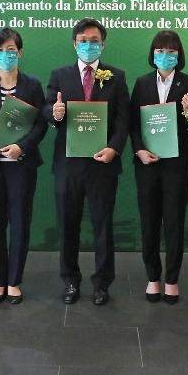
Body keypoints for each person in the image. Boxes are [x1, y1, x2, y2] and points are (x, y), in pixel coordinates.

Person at [44, 18, 130, 306]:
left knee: (103, 226)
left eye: (94, 41)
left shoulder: (116, 76)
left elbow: (123, 119)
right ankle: (70, 281)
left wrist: (114, 149)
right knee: (67, 226)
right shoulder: (60, 75)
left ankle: (102, 283)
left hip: (102, 164)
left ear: (102, 44)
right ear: (74, 44)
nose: (88, 45)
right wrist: (55, 113)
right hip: (68, 165)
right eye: (83, 41)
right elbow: (48, 109)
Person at [0, 28, 48, 304]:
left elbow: (41, 124)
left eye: (11, 50)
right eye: (0, 50)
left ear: (20, 52)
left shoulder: (32, 85)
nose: (6, 55)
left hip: (21, 165)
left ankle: (14, 281)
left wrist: (22, 147)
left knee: (20, 223)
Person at [128, 30, 188, 304]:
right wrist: (139, 150)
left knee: (174, 222)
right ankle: (153, 277)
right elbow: (133, 123)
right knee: (149, 222)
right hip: (147, 163)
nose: (165, 56)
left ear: (179, 55)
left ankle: (171, 279)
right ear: (153, 54)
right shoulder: (142, 82)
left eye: (171, 51)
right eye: (160, 51)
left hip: (177, 165)